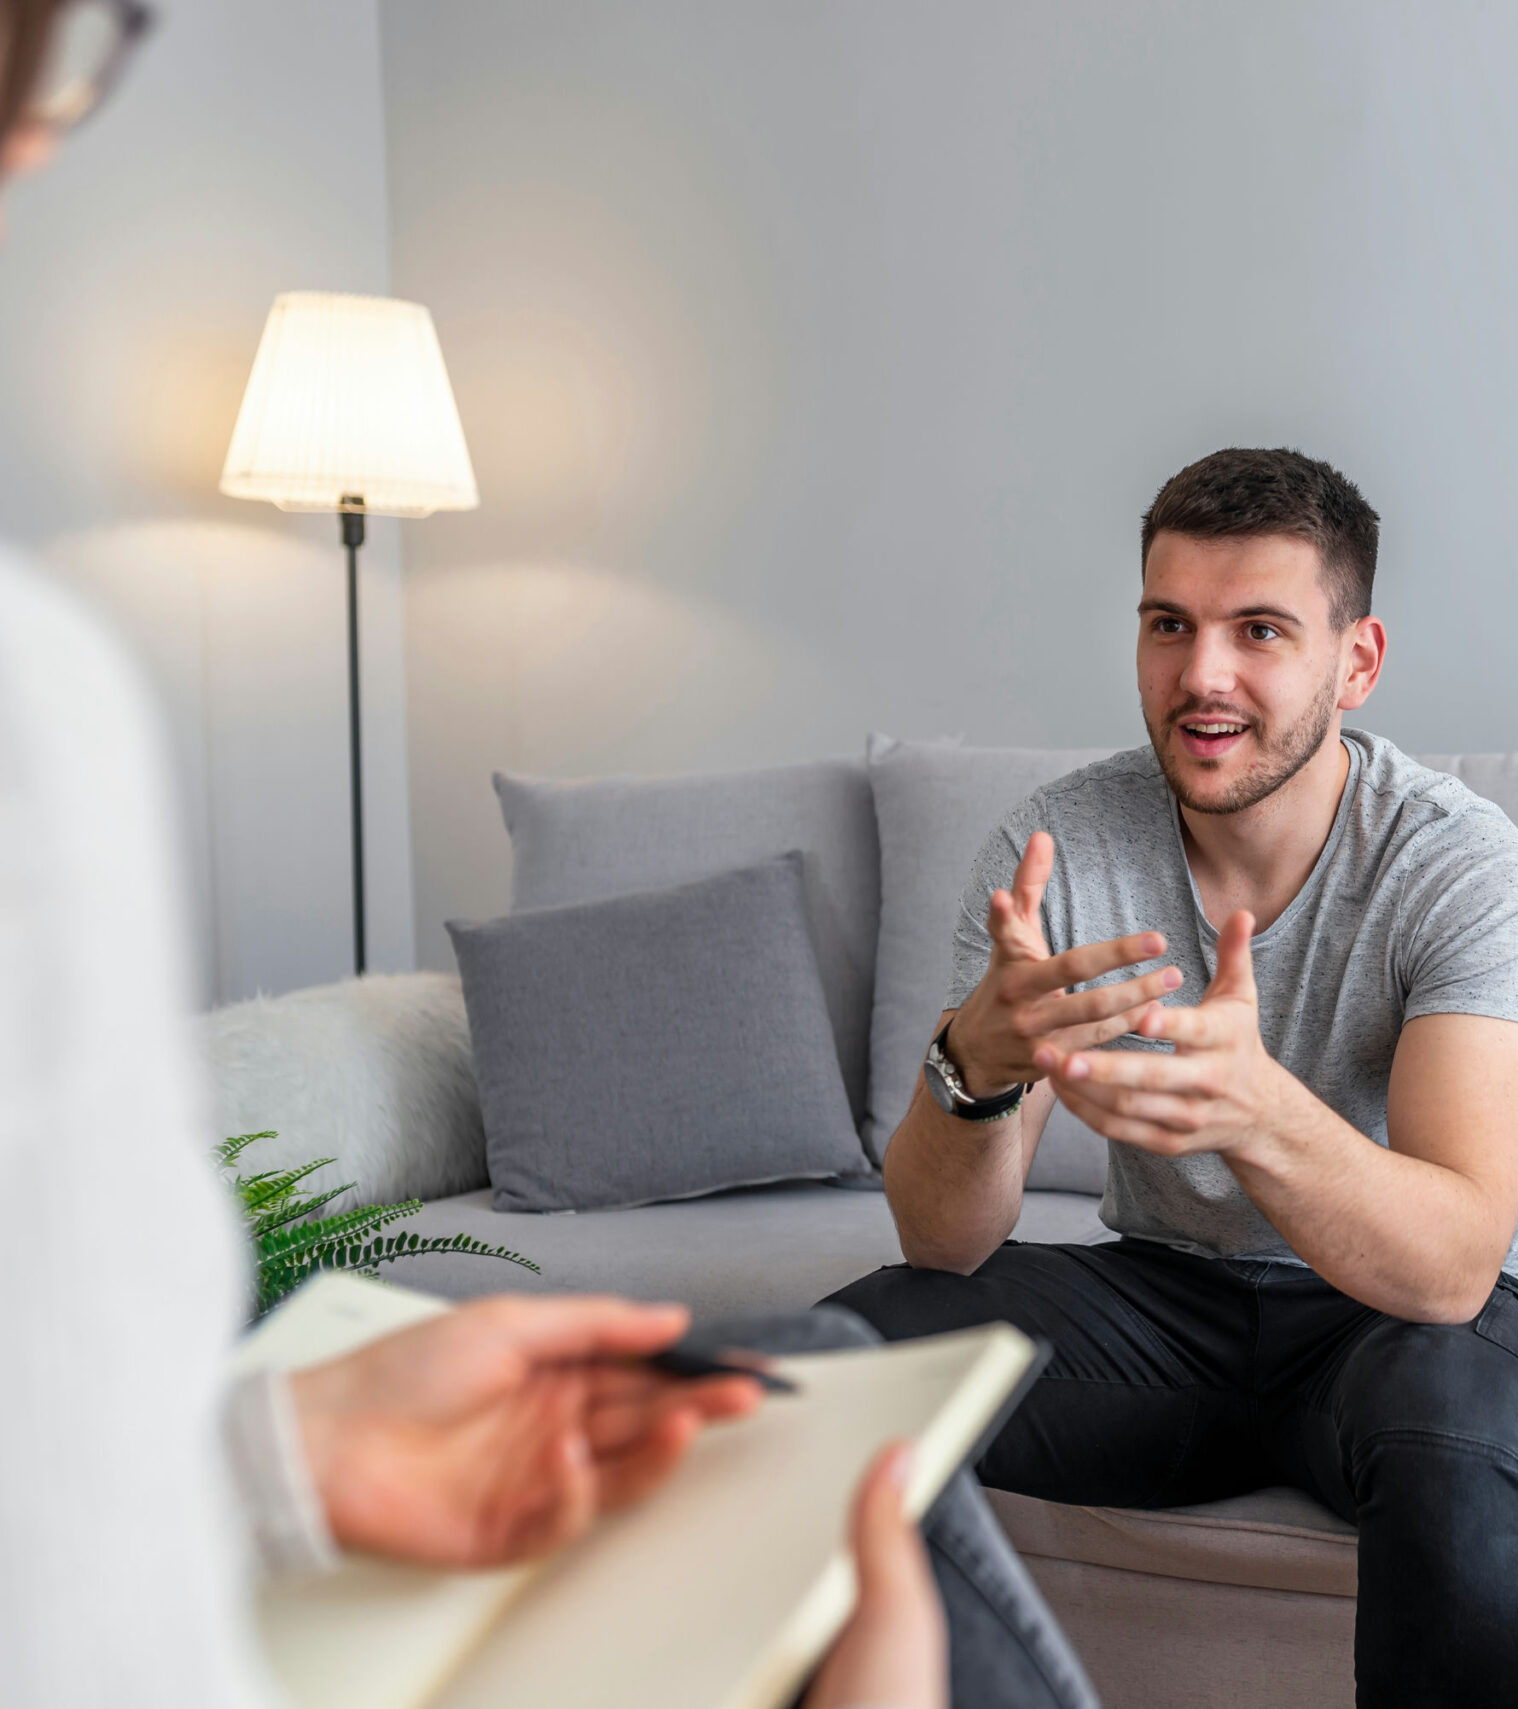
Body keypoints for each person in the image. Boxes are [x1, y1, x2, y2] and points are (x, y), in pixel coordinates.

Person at [0, 6, 1049, 1706]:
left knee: (808, 1366)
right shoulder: (34, 717)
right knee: (845, 1407)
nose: (48, 130)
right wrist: (985, 1061)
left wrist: (271, 1451)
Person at [829, 448, 1518, 1708]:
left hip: (1404, 1321)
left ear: (1357, 660)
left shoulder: (1464, 866)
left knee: (1453, 1437)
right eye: (1168, 624)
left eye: (1260, 630)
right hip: (1167, 1309)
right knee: (837, 1364)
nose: (1201, 676)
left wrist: (1258, 1107)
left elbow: (1453, 1258)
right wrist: (977, 1064)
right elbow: (944, 1244)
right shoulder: (1050, 850)